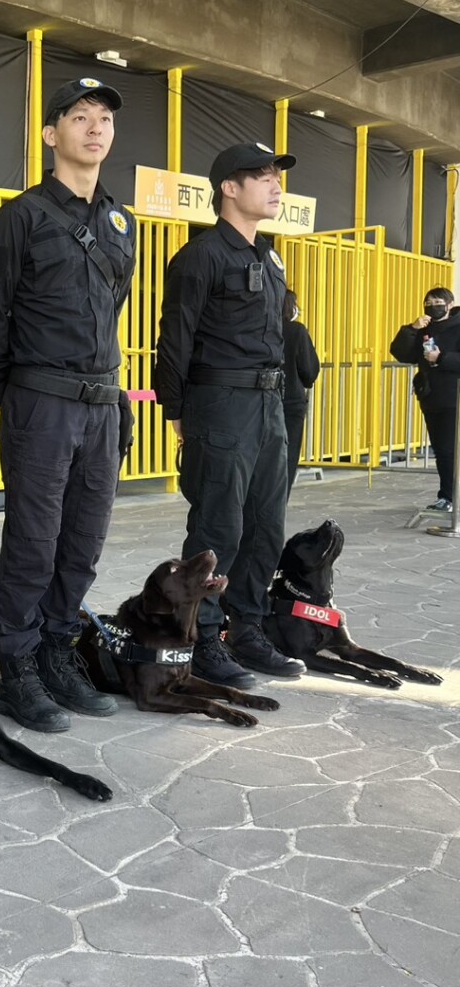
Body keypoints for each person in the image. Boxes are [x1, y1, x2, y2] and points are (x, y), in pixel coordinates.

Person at [0, 77, 135, 733]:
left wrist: (109, 396)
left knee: (83, 541)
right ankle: (17, 667)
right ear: (50, 133)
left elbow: (111, 310)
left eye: (105, 119)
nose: (95, 128)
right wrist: (19, 397)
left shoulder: (120, 220)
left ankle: (58, 653)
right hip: (42, 402)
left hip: (102, 402)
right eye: (80, 117)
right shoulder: (22, 216)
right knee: (33, 542)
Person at [153, 142, 307, 689]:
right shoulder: (201, 256)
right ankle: (200, 637)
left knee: (267, 523)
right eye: (263, 176)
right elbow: (174, 337)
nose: (275, 186)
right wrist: (176, 409)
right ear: (229, 188)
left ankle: (246, 628)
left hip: (269, 403)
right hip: (220, 401)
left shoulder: (269, 256)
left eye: (277, 176)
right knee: (219, 526)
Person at [390, 286, 460, 511]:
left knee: (449, 450)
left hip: (454, 398)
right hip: (430, 397)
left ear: (450, 305)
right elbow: (402, 353)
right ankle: (448, 496)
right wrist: (411, 329)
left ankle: (449, 497)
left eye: (438, 303)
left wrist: (442, 358)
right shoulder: (424, 329)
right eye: (429, 303)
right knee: (441, 450)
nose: (433, 307)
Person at [282, 289, 320, 496]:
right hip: (290, 403)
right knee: (287, 458)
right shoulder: (296, 331)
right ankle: (277, 506)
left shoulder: (255, 328)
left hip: (255, 401)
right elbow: (309, 370)